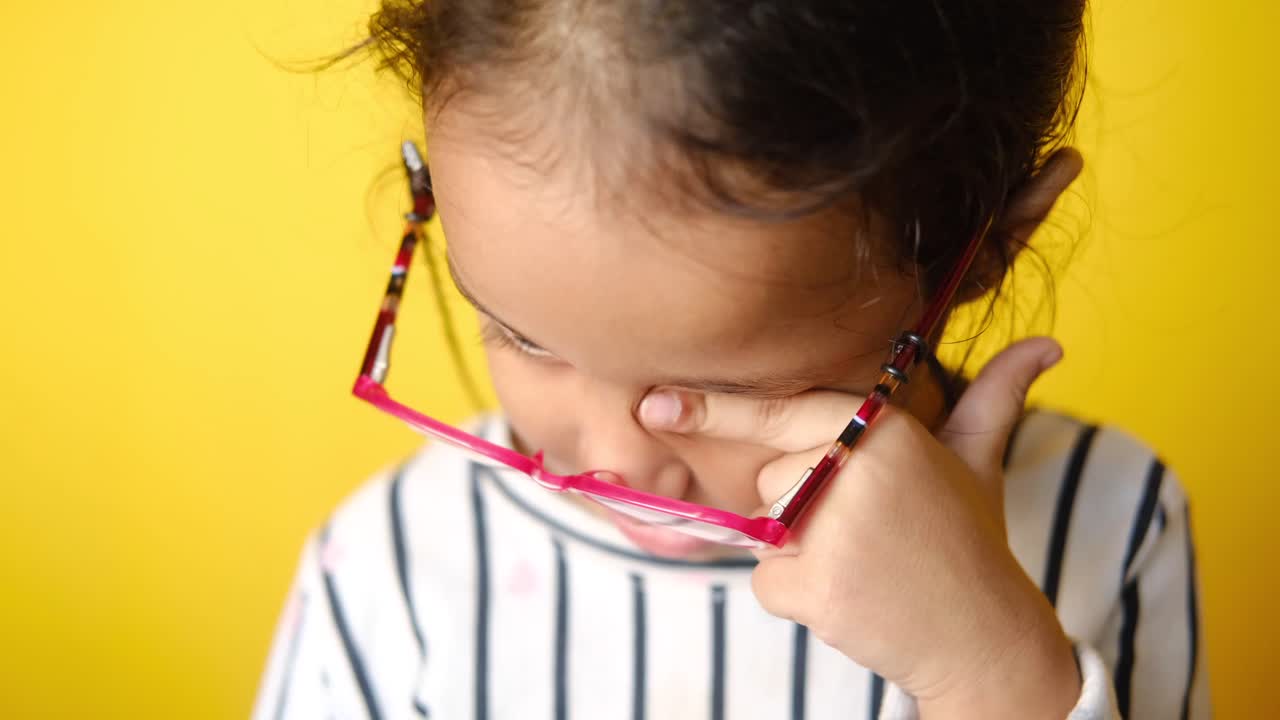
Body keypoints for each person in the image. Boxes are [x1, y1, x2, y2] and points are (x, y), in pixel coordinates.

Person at [254, 2, 1209, 718]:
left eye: (718, 391)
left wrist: (993, 675)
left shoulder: (1112, 525)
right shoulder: (390, 572)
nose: (614, 465)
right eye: (525, 338)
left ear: (989, 247)